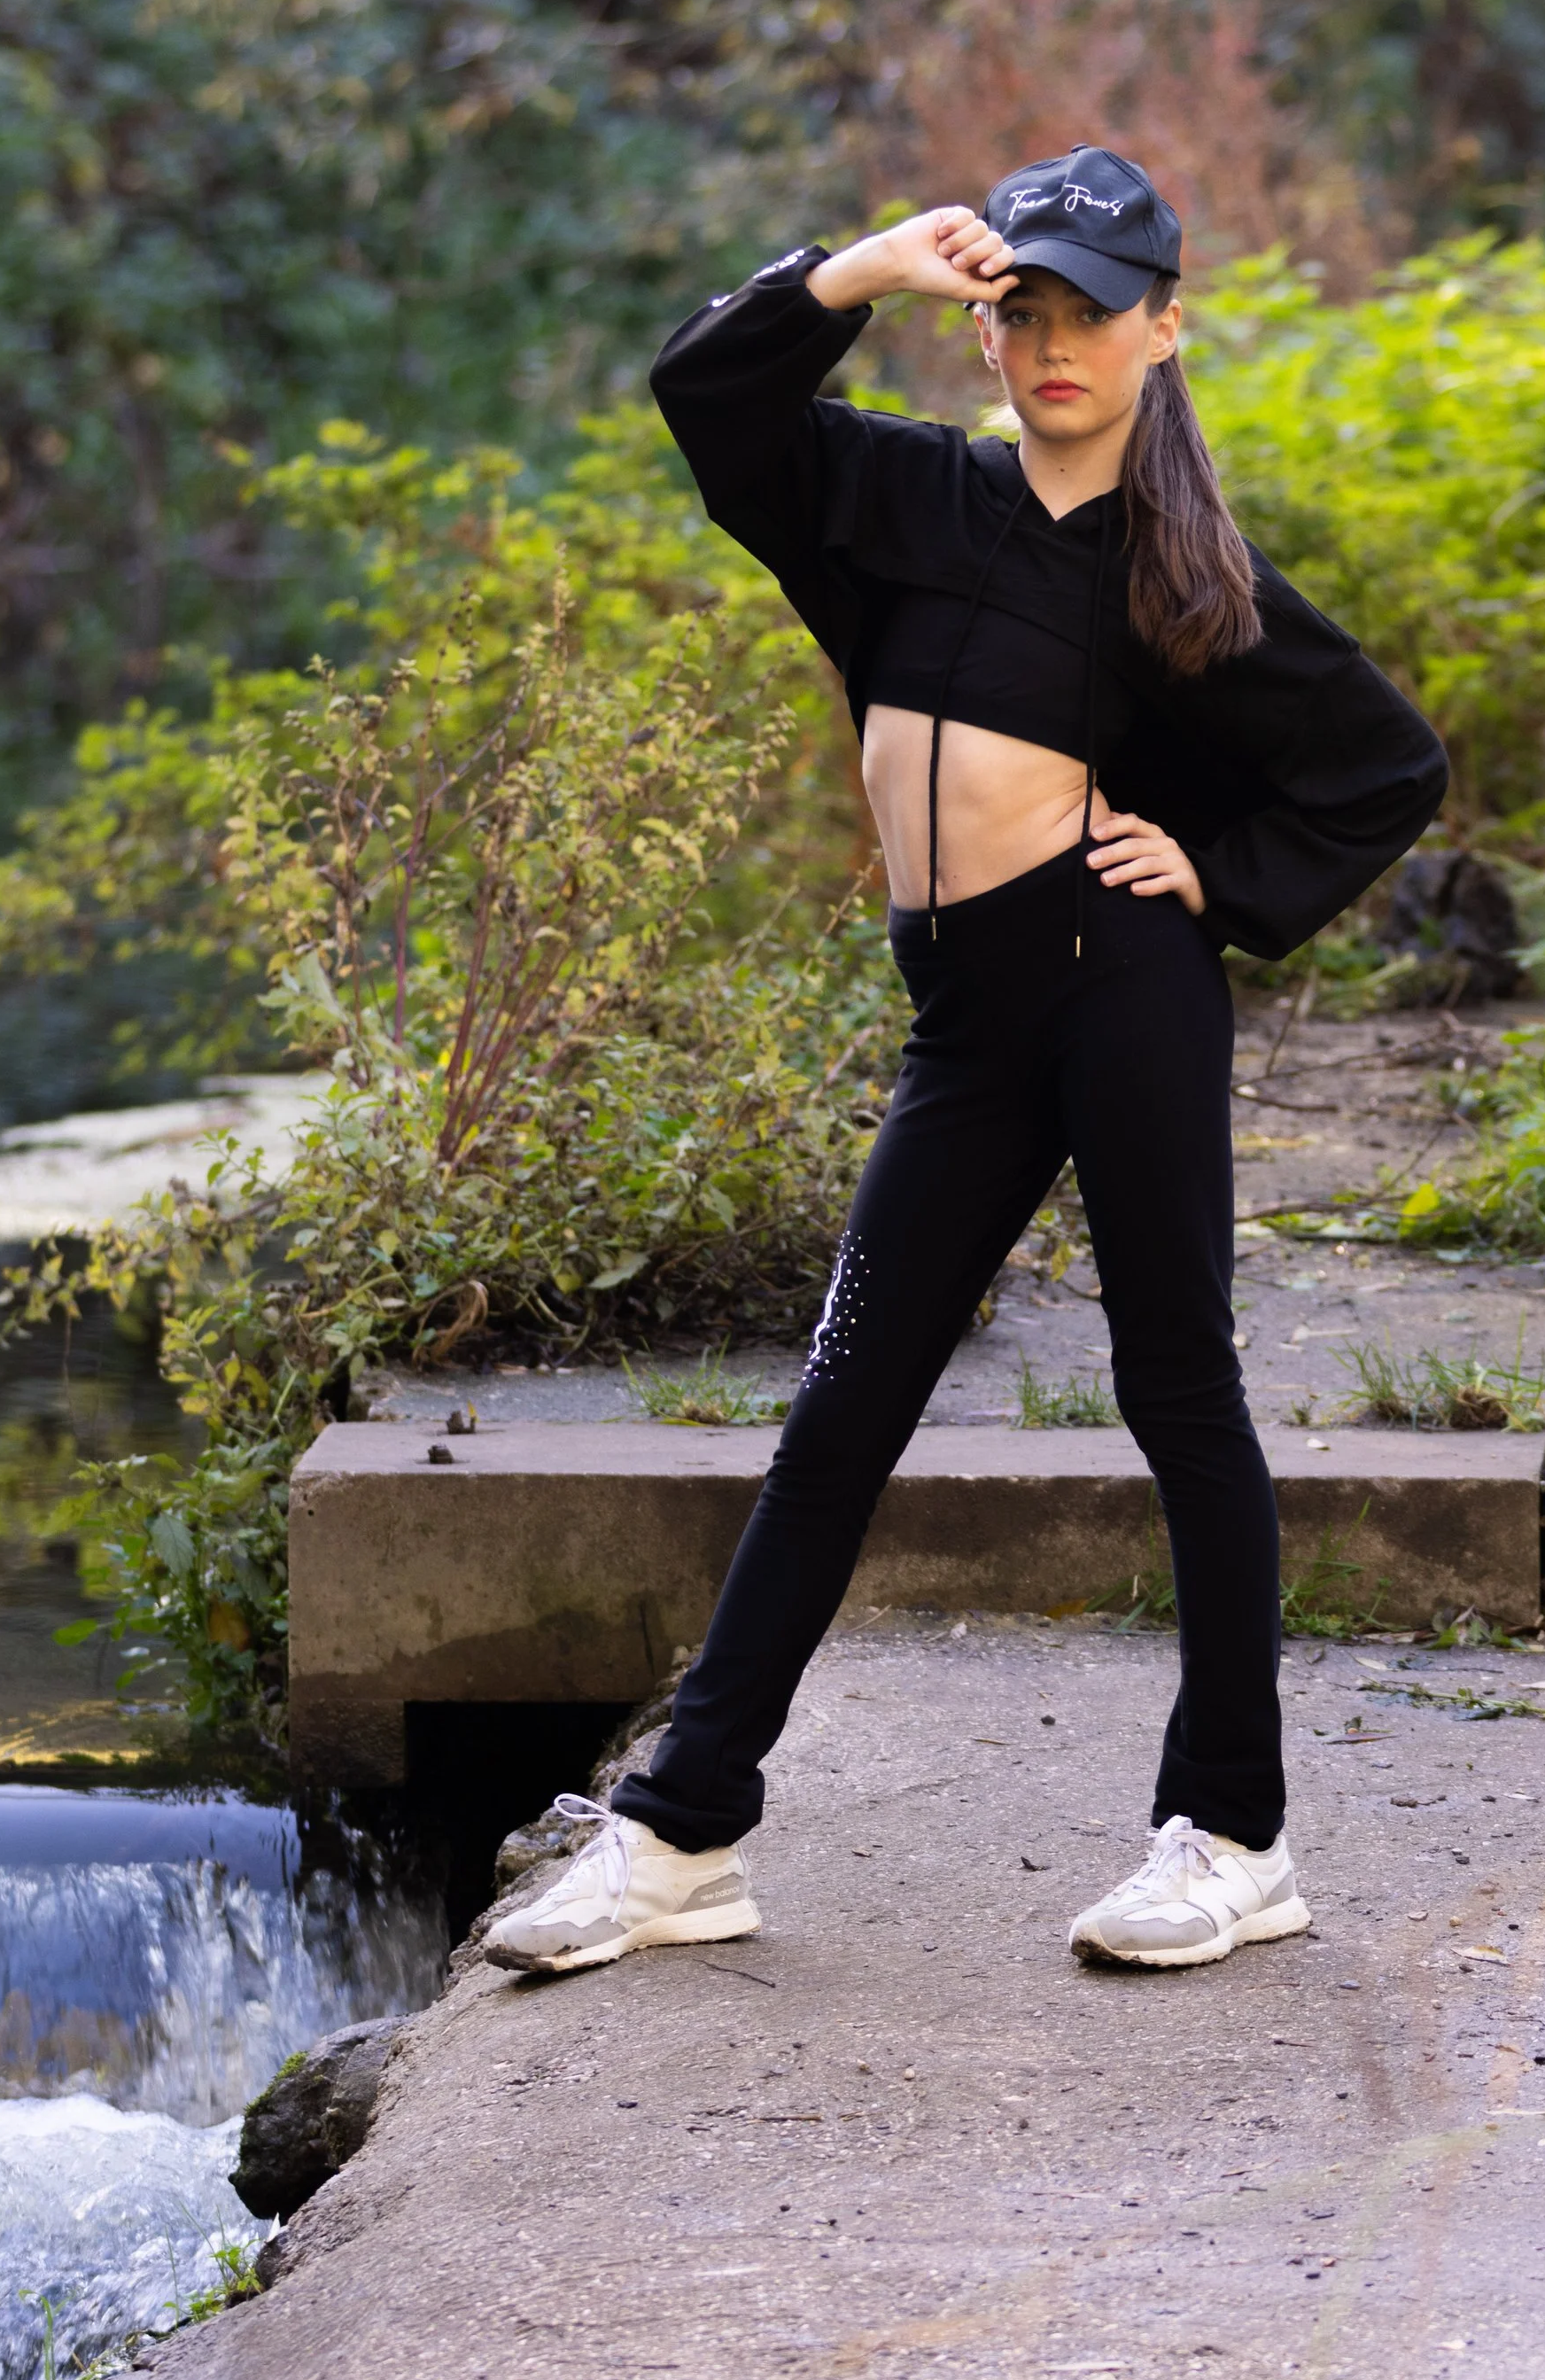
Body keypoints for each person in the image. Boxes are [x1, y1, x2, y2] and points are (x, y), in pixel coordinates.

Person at [485, 144, 1447, 1980]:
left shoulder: (1190, 581)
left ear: (1166, 330)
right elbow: (707, 387)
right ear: (986, 331)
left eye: (1095, 310)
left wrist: (1214, 880)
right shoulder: (896, 497)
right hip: (963, 1022)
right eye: (1023, 308)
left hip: (1118, 992)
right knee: (842, 1403)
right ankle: (686, 1838)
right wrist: (860, 273)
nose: (1056, 342)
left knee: (1179, 1388)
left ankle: (1232, 1838)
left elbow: (1382, 767)